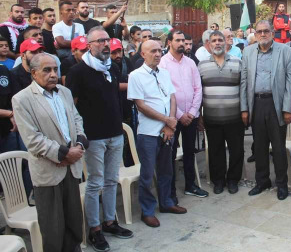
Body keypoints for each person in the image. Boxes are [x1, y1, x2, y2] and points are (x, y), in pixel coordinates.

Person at [12, 53, 89, 252]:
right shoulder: (22, 99)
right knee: (53, 231)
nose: (53, 74)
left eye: (55, 69)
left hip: (71, 169)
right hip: (48, 173)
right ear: (33, 72)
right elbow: (32, 139)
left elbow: (77, 119)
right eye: (47, 70)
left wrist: (79, 146)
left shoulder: (64, 92)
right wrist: (64, 154)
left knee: (74, 225)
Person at [66, 27, 133, 250]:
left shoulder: (111, 67)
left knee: (111, 180)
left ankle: (110, 221)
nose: (105, 44)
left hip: (115, 133)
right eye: (100, 41)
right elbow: (71, 106)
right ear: (89, 45)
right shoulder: (78, 71)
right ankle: (95, 229)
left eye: (107, 40)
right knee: (95, 183)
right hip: (93, 137)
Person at [127, 40, 186, 228]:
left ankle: (167, 202)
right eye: (153, 51)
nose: (158, 54)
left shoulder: (165, 73)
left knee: (166, 169)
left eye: (160, 50)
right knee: (146, 174)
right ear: (143, 54)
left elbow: (172, 97)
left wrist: (170, 123)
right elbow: (141, 105)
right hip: (148, 133)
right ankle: (147, 211)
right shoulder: (135, 76)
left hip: (167, 130)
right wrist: (167, 120)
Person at [240, 20, 291, 200]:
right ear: (255, 34)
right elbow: (244, 82)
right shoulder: (247, 52)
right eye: (259, 32)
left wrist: (287, 108)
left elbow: (290, 82)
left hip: (276, 104)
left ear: (272, 32)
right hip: (256, 103)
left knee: (278, 147)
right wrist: (244, 108)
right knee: (259, 146)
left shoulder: (286, 51)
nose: (262, 34)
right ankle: (262, 181)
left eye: (266, 31)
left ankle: (281, 183)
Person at [159, 29, 208, 201]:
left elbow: (198, 88)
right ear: (169, 43)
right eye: (177, 40)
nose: (181, 43)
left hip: (191, 116)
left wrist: (193, 112)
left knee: (190, 151)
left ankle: (190, 185)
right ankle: (170, 192)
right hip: (173, 117)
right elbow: (164, 92)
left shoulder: (190, 63)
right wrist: (180, 115)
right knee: (170, 155)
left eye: (183, 40)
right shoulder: (163, 63)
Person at [198, 31, 244, 194]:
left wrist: (244, 111)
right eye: (214, 41)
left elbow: (244, 89)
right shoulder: (202, 65)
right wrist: (200, 115)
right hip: (212, 118)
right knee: (215, 151)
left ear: (226, 43)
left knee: (236, 150)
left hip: (234, 117)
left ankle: (233, 180)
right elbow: (198, 92)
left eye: (220, 40)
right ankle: (218, 181)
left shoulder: (238, 62)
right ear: (209, 44)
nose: (217, 43)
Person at [0, 63, 32, 197]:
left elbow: (16, 97)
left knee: (15, 165)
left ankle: (22, 200)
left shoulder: (3, 70)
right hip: (8, 119)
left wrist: (13, 113)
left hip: (7, 129)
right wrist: (10, 114)